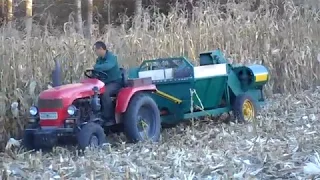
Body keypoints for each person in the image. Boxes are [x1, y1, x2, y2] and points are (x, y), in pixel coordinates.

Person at [93, 41, 122, 121]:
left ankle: (108, 116)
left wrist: (97, 67)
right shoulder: (99, 59)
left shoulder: (111, 57)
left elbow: (107, 66)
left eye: (96, 50)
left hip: (115, 82)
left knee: (104, 92)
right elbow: (97, 67)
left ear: (101, 49)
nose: (95, 52)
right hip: (104, 83)